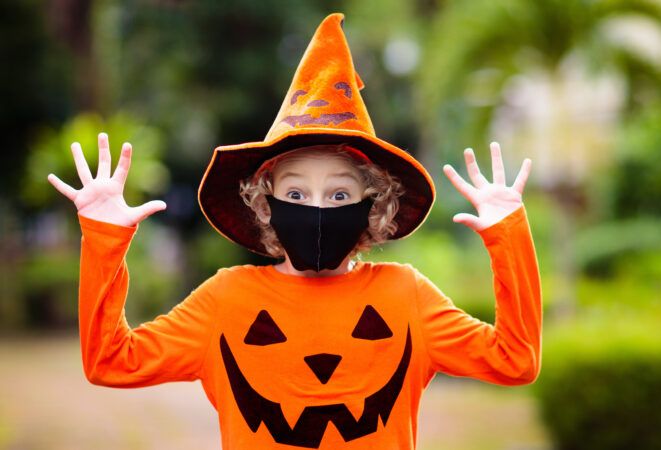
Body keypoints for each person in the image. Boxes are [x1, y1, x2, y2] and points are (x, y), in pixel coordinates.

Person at [46, 12, 542, 450]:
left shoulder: (405, 296)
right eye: (297, 194)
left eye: (341, 195)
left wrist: (508, 235)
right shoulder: (226, 300)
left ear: (375, 206)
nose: (319, 208)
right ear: (265, 205)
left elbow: (515, 360)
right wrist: (105, 238)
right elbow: (110, 361)